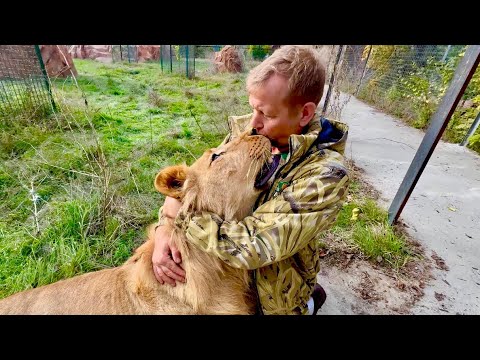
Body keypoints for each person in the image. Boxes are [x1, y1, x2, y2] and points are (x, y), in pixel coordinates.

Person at [152, 45, 349, 315]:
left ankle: (308, 302)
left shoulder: (327, 175)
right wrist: (164, 228)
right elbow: (201, 177)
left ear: (304, 113)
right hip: (230, 270)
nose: (252, 124)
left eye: (266, 114)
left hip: (275, 292)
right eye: (253, 108)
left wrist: (182, 216)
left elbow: (254, 244)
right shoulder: (259, 131)